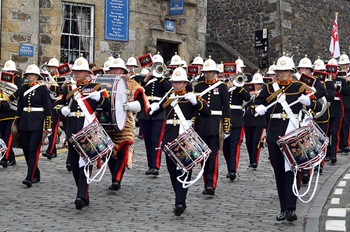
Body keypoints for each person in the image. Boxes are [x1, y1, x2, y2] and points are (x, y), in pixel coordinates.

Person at [254, 55, 322, 222]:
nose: (283, 74)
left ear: (291, 72)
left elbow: (318, 106)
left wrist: (309, 102)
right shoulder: (269, 88)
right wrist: (259, 107)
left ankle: (291, 208)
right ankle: (283, 208)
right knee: (279, 172)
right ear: (276, 72)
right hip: (274, 134)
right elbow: (257, 104)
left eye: (286, 71)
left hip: (292, 133)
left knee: (291, 171)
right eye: (280, 71)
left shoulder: (301, 86)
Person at [149, 67, 210, 216]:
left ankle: (179, 201)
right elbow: (153, 114)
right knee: (171, 171)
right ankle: (179, 196)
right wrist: (153, 108)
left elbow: (206, 113)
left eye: (180, 82)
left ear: (185, 83)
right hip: (170, 137)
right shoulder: (167, 96)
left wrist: (196, 102)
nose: (177, 85)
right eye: (175, 82)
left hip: (186, 137)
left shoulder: (192, 96)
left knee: (184, 169)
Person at [56, 56, 110, 210]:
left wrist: (100, 98)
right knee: (74, 163)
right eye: (76, 71)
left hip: (87, 128)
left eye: (81, 71)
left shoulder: (96, 87)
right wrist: (62, 110)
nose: (78, 74)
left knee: (85, 162)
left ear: (87, 73)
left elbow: (107, 106)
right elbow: (57, 105)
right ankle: (84, 194)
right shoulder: (68, 87)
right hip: (72, 127)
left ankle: (80, 195)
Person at [106, 57, 149, 191]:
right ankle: (114, 175)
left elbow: (141, 104)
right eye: (113, 69)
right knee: (109, 153)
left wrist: (129, 105)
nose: (115, 71)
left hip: (125, 122)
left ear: (124, 71)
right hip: (107, 123)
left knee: (122, 151)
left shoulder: (132, 84)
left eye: (118, 69)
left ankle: (117, 179)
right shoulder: (104, 83)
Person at [193, 56, 230, 195]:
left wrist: (226, 127)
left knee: (213, 155)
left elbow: (226, 108)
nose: (208, 74)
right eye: (206, 72)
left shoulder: (222, 87)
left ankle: (211, 184)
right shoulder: (198, 86)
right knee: (203, 155)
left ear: (215, 72)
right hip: (201, 124)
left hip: (215, 124)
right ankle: (205, 181)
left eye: (210, 72)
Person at [16, 64, 52, 187]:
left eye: (32, 74)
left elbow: (48, 108)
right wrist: (16, 123)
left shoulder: (42, 89)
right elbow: (20, 106)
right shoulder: (23, 88)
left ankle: (29, 177)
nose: (30, 76)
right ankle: (35, 173)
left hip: (37, 122)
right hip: (24, 122)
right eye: (28, 74)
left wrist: (48, 126)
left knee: (32, 149)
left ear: (37, 76)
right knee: (26, 149)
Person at [138, 52, 172, 176]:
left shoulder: (164, 80)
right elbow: (137, 90)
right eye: (154, 66)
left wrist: (159, 76)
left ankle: (156, 165)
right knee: (148, 140)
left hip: (158, 112)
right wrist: (146, 78)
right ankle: (150, 165)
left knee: (156, 140)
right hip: (145, 112)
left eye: (158, 66)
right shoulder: (145, 79)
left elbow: (169, 90)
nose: (156, 68)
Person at [222, 72, 250, 180]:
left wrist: (238, 87)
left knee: (234, 145)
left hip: (237, 119)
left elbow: (247, 98)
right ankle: (230, 166)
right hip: (225, 120)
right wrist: (227, 87)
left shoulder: (241, 89)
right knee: (225, 147)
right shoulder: (224, 88)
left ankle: (233, 170)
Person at [0, 59, 23, 167]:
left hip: (12, 112)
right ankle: (11, 157)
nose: (9, 73)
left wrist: (9, 97)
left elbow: (20, 91)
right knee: (2, 137)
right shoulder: (2, 81)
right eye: (7, 71)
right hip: (2, 112)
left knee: (7, 136)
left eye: (11, 71)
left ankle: (5, 158)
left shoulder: (18, 80)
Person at [243, 72, 267, 170]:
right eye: (254, 84)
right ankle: (250, 159)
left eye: (257, 84)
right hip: (248, 119)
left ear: (261, 85)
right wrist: (250, 95)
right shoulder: (248, 92)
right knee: (248, 141)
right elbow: (244, 104)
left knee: (256, 141)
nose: (255, 86)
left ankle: (254, 161)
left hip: (259, 120)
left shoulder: (264, 92)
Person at [338, 53, 350, 153]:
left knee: (346, 124)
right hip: (340, 102)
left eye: (345, 65)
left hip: (348, 102)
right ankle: (342, 144)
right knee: (341, 125)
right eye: (342, 65)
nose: (343, 67)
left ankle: (345, 144)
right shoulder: (337, 75)